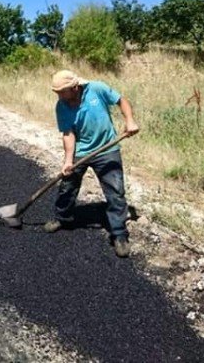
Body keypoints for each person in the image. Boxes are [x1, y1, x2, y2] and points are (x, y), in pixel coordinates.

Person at [44, 70, 139, 258]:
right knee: (67, 185)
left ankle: (119, 234)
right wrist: (68, 161)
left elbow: (122, 101)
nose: (59, 95)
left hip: (107, 149)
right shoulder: (61, 106)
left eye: (62, 91)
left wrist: (130, 121)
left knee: (115, 191)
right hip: (82, 151)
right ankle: (62, 218)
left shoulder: (97, 88)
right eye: (56, 92)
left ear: (75, 87)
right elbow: (68, 134)